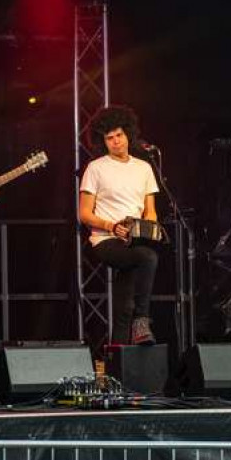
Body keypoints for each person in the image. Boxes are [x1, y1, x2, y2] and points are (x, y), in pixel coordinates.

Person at [78, 106, 160, 345]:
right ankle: (142, 321)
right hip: (106, 240)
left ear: (128, 134)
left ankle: (118, 362)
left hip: (135, 238)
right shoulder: (95, 168)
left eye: (119, 135)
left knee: (124, 305)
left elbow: (151, 210)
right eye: (109, 138)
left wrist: (148, 229)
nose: (115, 141)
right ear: (103, 141)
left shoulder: (144, 168)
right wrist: (111, 226)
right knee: (148, 258)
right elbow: (84, 213)